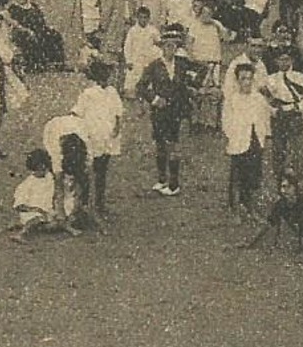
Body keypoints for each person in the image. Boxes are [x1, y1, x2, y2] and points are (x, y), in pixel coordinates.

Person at [136, 23, 195, 196]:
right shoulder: (154, 66)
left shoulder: (183, 64)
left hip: (177, 111)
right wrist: (154, 99)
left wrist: (191, 87)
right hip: (160, 111)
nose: (170, 49)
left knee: (173, 145)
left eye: (174, 46)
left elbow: (202, 70)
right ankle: (162, 179)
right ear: (162, 48)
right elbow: (141, 86)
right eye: (167, 46)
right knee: (161, 145)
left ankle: (174, 183)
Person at [244, 173, 303, 262]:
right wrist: (251, 243)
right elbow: (268, 224)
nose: (283, 191)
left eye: (287, 187)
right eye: (282, 187)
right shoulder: (281, 204)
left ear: (295, 188)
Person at [73, 60, 125, 218]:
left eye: (107, 75)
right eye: (102, 75)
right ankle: (83, 204)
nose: (105, 78)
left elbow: (118, 112)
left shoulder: (112, 92)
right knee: (88, 169)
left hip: (107, 135)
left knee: (102, 170)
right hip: (93, 135)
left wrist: (117, 127)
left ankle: (100, 203)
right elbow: (77, 113)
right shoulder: (88, 93)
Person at [222, 61, 271, 219]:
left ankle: (250, 207)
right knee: (237, 176)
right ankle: (235, 209)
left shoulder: (258, 99)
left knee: (253, 176)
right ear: (237, 80)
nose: (247, 82)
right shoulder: (232, 100)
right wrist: (235, 136)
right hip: (238, 141)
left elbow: (265, 118)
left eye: (249, 79)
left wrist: (261, 136)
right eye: (243, 79)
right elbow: (226, 122)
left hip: (255, 140)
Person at [261, 45, 303, 187]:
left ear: (292, 60)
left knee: (297, 150)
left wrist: (296, 107)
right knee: (278, 150)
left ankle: (296, 183)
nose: (284, 62)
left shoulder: (299, 77)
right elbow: (265, 100)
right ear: (276, 61)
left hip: (294, 115)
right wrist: (273, 110)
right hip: (278, 116)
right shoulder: (271, 79)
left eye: (287, 59)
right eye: (280, 59)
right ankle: (280, 182)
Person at [10, 149, 76, 242]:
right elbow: (19, 206)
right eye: (39, 168)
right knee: (36, 219)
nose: (43, 170)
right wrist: (38, 210)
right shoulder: (27, 184)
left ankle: (64, 227)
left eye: (45, 168)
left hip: (48, 212)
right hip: (33, 212)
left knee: (62, 215)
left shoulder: (49, 178)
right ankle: (22, 233)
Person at [42, 112, 92, 230]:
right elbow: (58, 187)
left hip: (78, 126)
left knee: (81, 181)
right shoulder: (56, 154)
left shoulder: (88, 152)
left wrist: (83, 205)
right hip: (52, 129)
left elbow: (87, 178)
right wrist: (62, 216)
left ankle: (78, 208)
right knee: (57, 181)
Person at [8, 0, 67, 72]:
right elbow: (16, 24)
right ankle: (36, 64)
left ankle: (56, 62)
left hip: (38, 29)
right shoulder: (14, 9)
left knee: (54, 35)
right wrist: (28, 30)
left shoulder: (33, 6)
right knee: (33, 39)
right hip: (24, 31)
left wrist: (43, 27)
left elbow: (41, 19)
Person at [122, 5, 161, 95]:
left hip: (148, 59)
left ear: (148, 18)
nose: (143, 20)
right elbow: (127, 46)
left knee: (147, 82)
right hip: (135, 59)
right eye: (141, 17)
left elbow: (159, 43)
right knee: (132, 81)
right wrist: (128, 60)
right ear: (137, 18)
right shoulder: (132, 30)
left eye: (145, 18)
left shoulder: (152, 30)